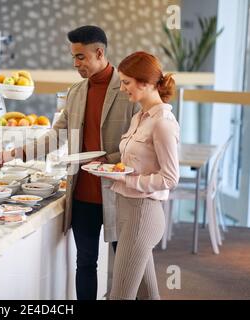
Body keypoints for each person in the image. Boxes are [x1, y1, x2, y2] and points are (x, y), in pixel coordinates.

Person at [0, 25, 139, 300]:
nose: (75, 63)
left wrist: (110, 160)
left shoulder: (129, 89)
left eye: (80, 57)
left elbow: (141, 142)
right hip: (82, 193)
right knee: (85, 263)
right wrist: (12, 154)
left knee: (127, 267)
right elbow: (54, 137)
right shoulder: (76, 92)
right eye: (73, 57)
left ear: (99, 52)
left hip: (121, 192)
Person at [104, 51, 180, 300]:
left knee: (119, 296)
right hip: (127, 211)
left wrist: (128, 180)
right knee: (148, 296)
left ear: (146, 83)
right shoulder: (139, 117)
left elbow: (169, 178)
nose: (123, 88)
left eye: (126, 82)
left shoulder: (163, 123)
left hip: (143, 214)